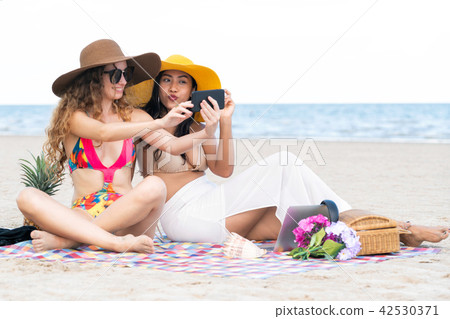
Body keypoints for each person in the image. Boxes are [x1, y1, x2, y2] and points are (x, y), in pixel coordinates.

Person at [137, 54, 449, 247]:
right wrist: (207, 129)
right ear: (157, 86)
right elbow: (169, 149)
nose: (173, 88)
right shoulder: (146, 122)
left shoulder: (196, 127)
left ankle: (400, 229)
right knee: (284, 162)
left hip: (214, 204)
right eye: (166, 80)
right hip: (184, 217)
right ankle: (400, 227)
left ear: (193, 90)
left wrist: (224, 123)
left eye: (182, 82)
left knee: (319, 221)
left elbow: (223, 172)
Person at [16, 40, 217, 254]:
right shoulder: (74, 118)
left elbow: (173, 146)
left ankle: (72, 241)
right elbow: (103, 132)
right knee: (27, 196)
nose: (122, 81)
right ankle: (112, 243)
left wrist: (207, 132)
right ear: (93, 78)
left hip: (129, 217)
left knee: (155, 185)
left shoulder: (135, 117)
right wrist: (160, 122)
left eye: (126, 73)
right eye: (114, 75)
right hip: (84, 214)